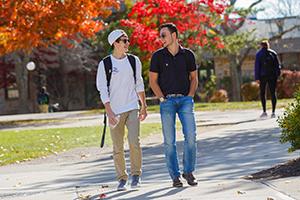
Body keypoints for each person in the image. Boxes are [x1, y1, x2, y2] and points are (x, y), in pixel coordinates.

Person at [96, 29, 147, 191]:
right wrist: (109, 112)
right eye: (124, 41)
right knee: (117, 147)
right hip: (115, 111)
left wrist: (143, 106)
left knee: (134, 142)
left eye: (127, 40)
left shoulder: (134, 61)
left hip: (132, 106)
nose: (127, 43)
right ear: (115, 43)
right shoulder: (105, 64)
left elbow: (139, 84)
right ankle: (122, 178)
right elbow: (103, 89)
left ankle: (136, 175)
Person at [149, 23, 198, 187]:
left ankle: (189, 172)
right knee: (169, 141)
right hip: (167, 102)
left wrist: (190, 96)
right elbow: (153, 81)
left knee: (191, 137)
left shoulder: (188, 55)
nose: (160, 38)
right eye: (160, 35)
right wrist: (162, 99)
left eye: (164, 35)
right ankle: (175, 177)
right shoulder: (157, 56)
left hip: (185, 101)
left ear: (174, 35)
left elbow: (194, 78)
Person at [255, 40, 281, 118]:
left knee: (263, 93)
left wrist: (257, 77)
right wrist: (277, 75)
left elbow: (257, 67)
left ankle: (264, 112)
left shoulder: (259, 54)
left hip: (262, 76)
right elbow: (278, 66)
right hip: (272, 76)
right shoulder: (273, 53)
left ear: (261, 46)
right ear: (268, 45)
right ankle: (273, 112)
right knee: (273, 93)